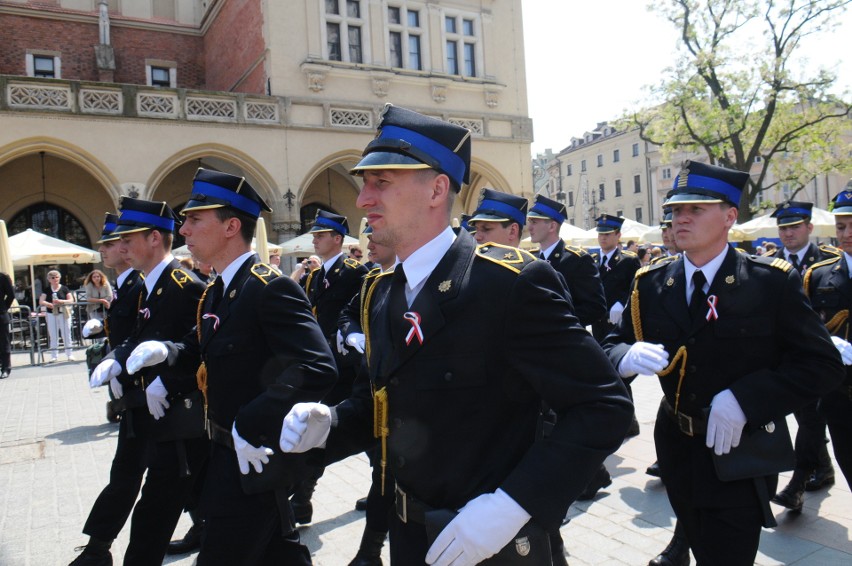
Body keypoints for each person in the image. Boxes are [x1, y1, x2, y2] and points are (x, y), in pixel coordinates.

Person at [279, 103, 634, 565]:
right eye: (365, 184)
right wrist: (333, 423)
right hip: (412, 538)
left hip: (492, 541)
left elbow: (602, 405)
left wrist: (514, 505)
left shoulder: (509, 283)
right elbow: (388, 404)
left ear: (437, 189)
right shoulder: (383, 291)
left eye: (381, 183)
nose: (363, 200)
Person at [602, 160, 843, 565]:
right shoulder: (652, 283)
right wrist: (624, 356)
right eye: (676, 210)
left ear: (730, 216)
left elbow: (821, 365)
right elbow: (611, 343)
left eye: (696, 209)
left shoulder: (769, 282)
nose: (681, 218)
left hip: (741, 450)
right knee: (697, 541)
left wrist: (747, 399)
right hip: (677, 443)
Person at [124, 168, 338, 565]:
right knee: (279, 554)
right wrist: (166, 352)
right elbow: (201, 349)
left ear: (231, 226)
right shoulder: (219, 290)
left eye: (194, 219)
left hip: (251, 460)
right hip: (223, 456)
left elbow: (316, 366)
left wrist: (251, 422)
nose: (183, 229)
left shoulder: (269, 287)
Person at [76, 197, 208, 566]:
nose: (120, 247)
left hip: (177, 415)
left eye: (127, 239)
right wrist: (116, 360)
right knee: (152, 499)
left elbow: (203, 342)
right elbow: (138, 336)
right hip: (147, 408)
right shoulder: (150, 284)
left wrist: (171, 380)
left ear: (153, 238)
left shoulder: (183, 283)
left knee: (159, 505)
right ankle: (97, 549)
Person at [71, 213, 147, 565]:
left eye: (110, 243)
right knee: (156, 474)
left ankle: (97, 548)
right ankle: (98, 547)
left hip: (150, 396)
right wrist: (102, 332)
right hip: (132, 396)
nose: (103, 249)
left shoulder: (142, 284)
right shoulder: (127, 285)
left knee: (134, 474)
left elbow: (148, 335)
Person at [290, 209, 368, 524]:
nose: (315, 239)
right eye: (315, 235)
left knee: (362, 429)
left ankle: (382, 487)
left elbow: (362, 307)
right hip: (323, 365)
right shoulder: (314, 275)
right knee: (323, 429)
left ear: (337, 239)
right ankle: (303, 498)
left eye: (320, 235)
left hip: (348, 366)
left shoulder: (353, 270)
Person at [764, 201, 840, 512]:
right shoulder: (766, 264)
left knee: (810, 418)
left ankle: (798, 482)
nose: (787, 233)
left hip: (814, 357)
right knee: (804, 418)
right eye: (782, 228)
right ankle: (822, 468)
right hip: (781, 357)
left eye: (794, 227)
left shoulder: (827, 262)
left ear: (809, 228)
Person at [338, 224, 398, 566]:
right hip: (374, 398)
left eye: (376, 237)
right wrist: (352, 335)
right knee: (383, 474)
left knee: (387, 476)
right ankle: (370, 552)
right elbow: (348, 313)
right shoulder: (371, 280)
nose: (369, 245)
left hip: (410, 408)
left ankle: (369, 552)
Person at [800, 187, 852, 498]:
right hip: (840, 395)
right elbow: (808, 330)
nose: (847, 233)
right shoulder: (818, 276)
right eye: (842, 225)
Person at [39, 269, 75, 362]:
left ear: (59, 278)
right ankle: (54, 355)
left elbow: (71, 300)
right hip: (51, 313)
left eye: (56, 277)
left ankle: (69, 354)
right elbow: (41, 301)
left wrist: (61, 301)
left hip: (64, 313)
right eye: (52, 277)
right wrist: (48, 304)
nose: (55, 279)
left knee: (66, 333)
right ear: (49, 279)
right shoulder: (47, 289)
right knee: (53, 334)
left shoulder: (64, 288)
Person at [0, 271, 14, 379]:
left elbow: (11, 295)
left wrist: (4, 308)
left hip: (1, 314)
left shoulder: (2, 276)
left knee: (4, 342)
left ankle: (5, 368)